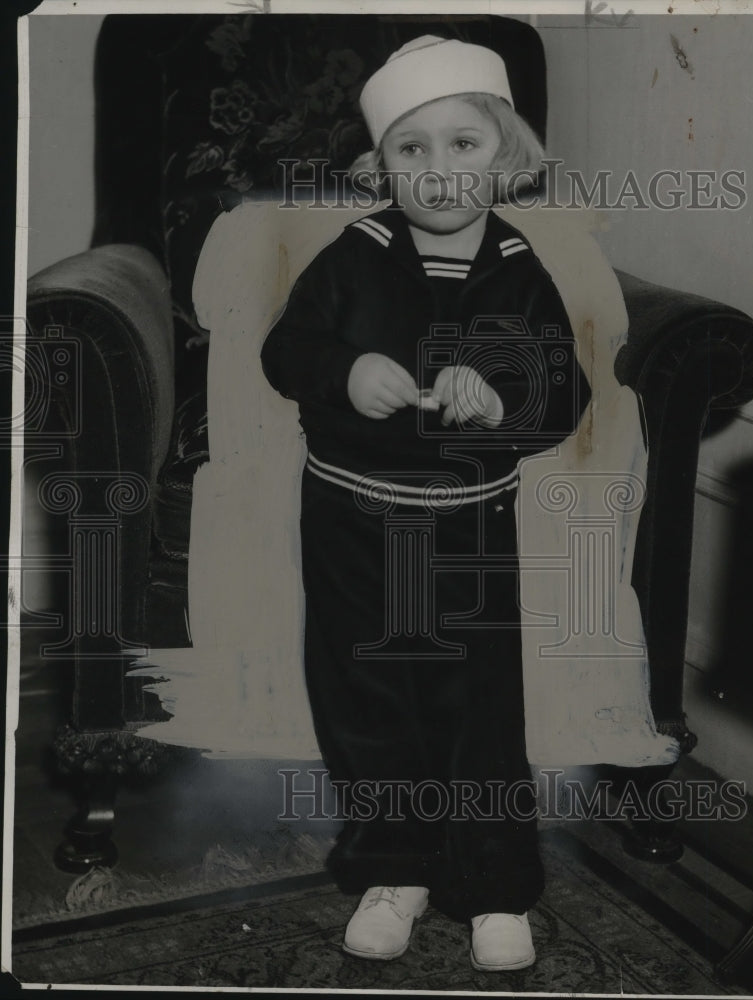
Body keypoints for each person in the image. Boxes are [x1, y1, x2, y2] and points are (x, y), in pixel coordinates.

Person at [261, 34, 591, 972]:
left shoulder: (521, 272)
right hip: (351, 524)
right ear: (381, 167)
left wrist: (504, 388)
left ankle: (492, 884)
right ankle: (394, 867)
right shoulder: (352, 255)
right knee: (369, 702)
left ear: (507, 159)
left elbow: (563, 393)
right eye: (411, 151)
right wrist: (344, 368)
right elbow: (286, 351)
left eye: (463, 146)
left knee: (474, 707)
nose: (438, 174)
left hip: (466, 527)